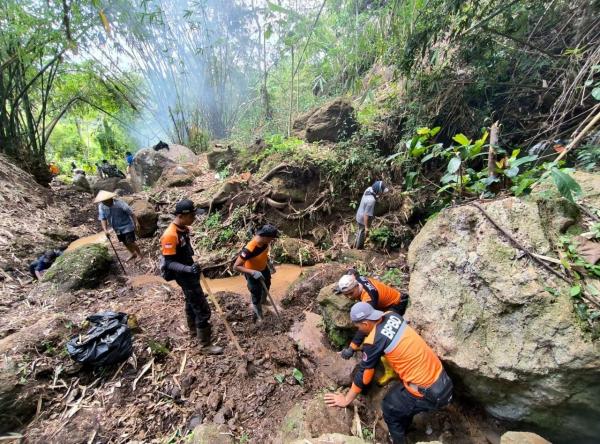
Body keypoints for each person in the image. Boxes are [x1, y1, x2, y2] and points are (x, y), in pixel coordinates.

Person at [325, 302, 453, 444]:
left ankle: (398, 440)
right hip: (441, 376)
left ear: (366, 323)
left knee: (389, 407)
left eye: (358, 326)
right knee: (397, 396)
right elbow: (381, 336)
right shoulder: (391, 315)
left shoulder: (373, 342)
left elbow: (365, 376)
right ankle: (406, 420)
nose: (358, 330)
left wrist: (346, 399)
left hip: (429, 393)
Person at [159, 199, 222, 354]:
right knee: (202, 309)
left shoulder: (184, 229)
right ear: (181, 216)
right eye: (192, 215)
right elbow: (169, 263)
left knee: (190, 301)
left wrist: (192, 264)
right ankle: (205, 345)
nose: (194, 218)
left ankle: (193, 330)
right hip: (183, 274)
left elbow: (185, 250)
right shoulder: (170, 235)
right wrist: (188, 269)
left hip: (188, 270)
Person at [336, 272, 410, 382]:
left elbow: (363, 327)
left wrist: (352, 348)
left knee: (381, 338)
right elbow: (353, 271)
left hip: (395, 304)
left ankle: (391, 371)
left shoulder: (369, 299)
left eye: (350, 293)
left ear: (357, 286)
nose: (348, 297)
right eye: (346, 294)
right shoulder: (355, 278)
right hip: (383, 304)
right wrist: (342, 289)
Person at [233, 224, 279, 322]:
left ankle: (264, 301)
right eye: (271, 239)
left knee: (267, 283)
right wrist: (253, 272)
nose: (272, 241)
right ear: (265, 237)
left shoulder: (265, 242)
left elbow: (264, 253)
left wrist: (269, 263)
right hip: (252, 273)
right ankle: (259, 315)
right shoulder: (249, 249)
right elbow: (236, 267)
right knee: (256, 292)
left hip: (263, 268)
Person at [94, 190, 143, 262]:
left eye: (105, 201)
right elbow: (103, 218)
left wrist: (136, 222)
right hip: (116, 228)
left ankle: (139, 255)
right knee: (124, 242)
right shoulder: (101, 206)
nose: (104, 203)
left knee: (130, 241)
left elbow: (131, 213)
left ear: (110, 199)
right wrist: (105, 230)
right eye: (102, 201)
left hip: (127, 226)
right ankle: (133, 253)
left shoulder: (120, 203)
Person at [354, 180, 388, 249]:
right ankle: (359, 248)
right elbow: (366, 216)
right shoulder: (371, 201)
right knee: (362, 233)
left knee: (360, 231)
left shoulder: (369, 189)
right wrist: (367, 228)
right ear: (378, 191)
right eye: (382, 191)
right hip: (362, 219)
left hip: (359, 213)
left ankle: (356, 243)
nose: (383, 193)